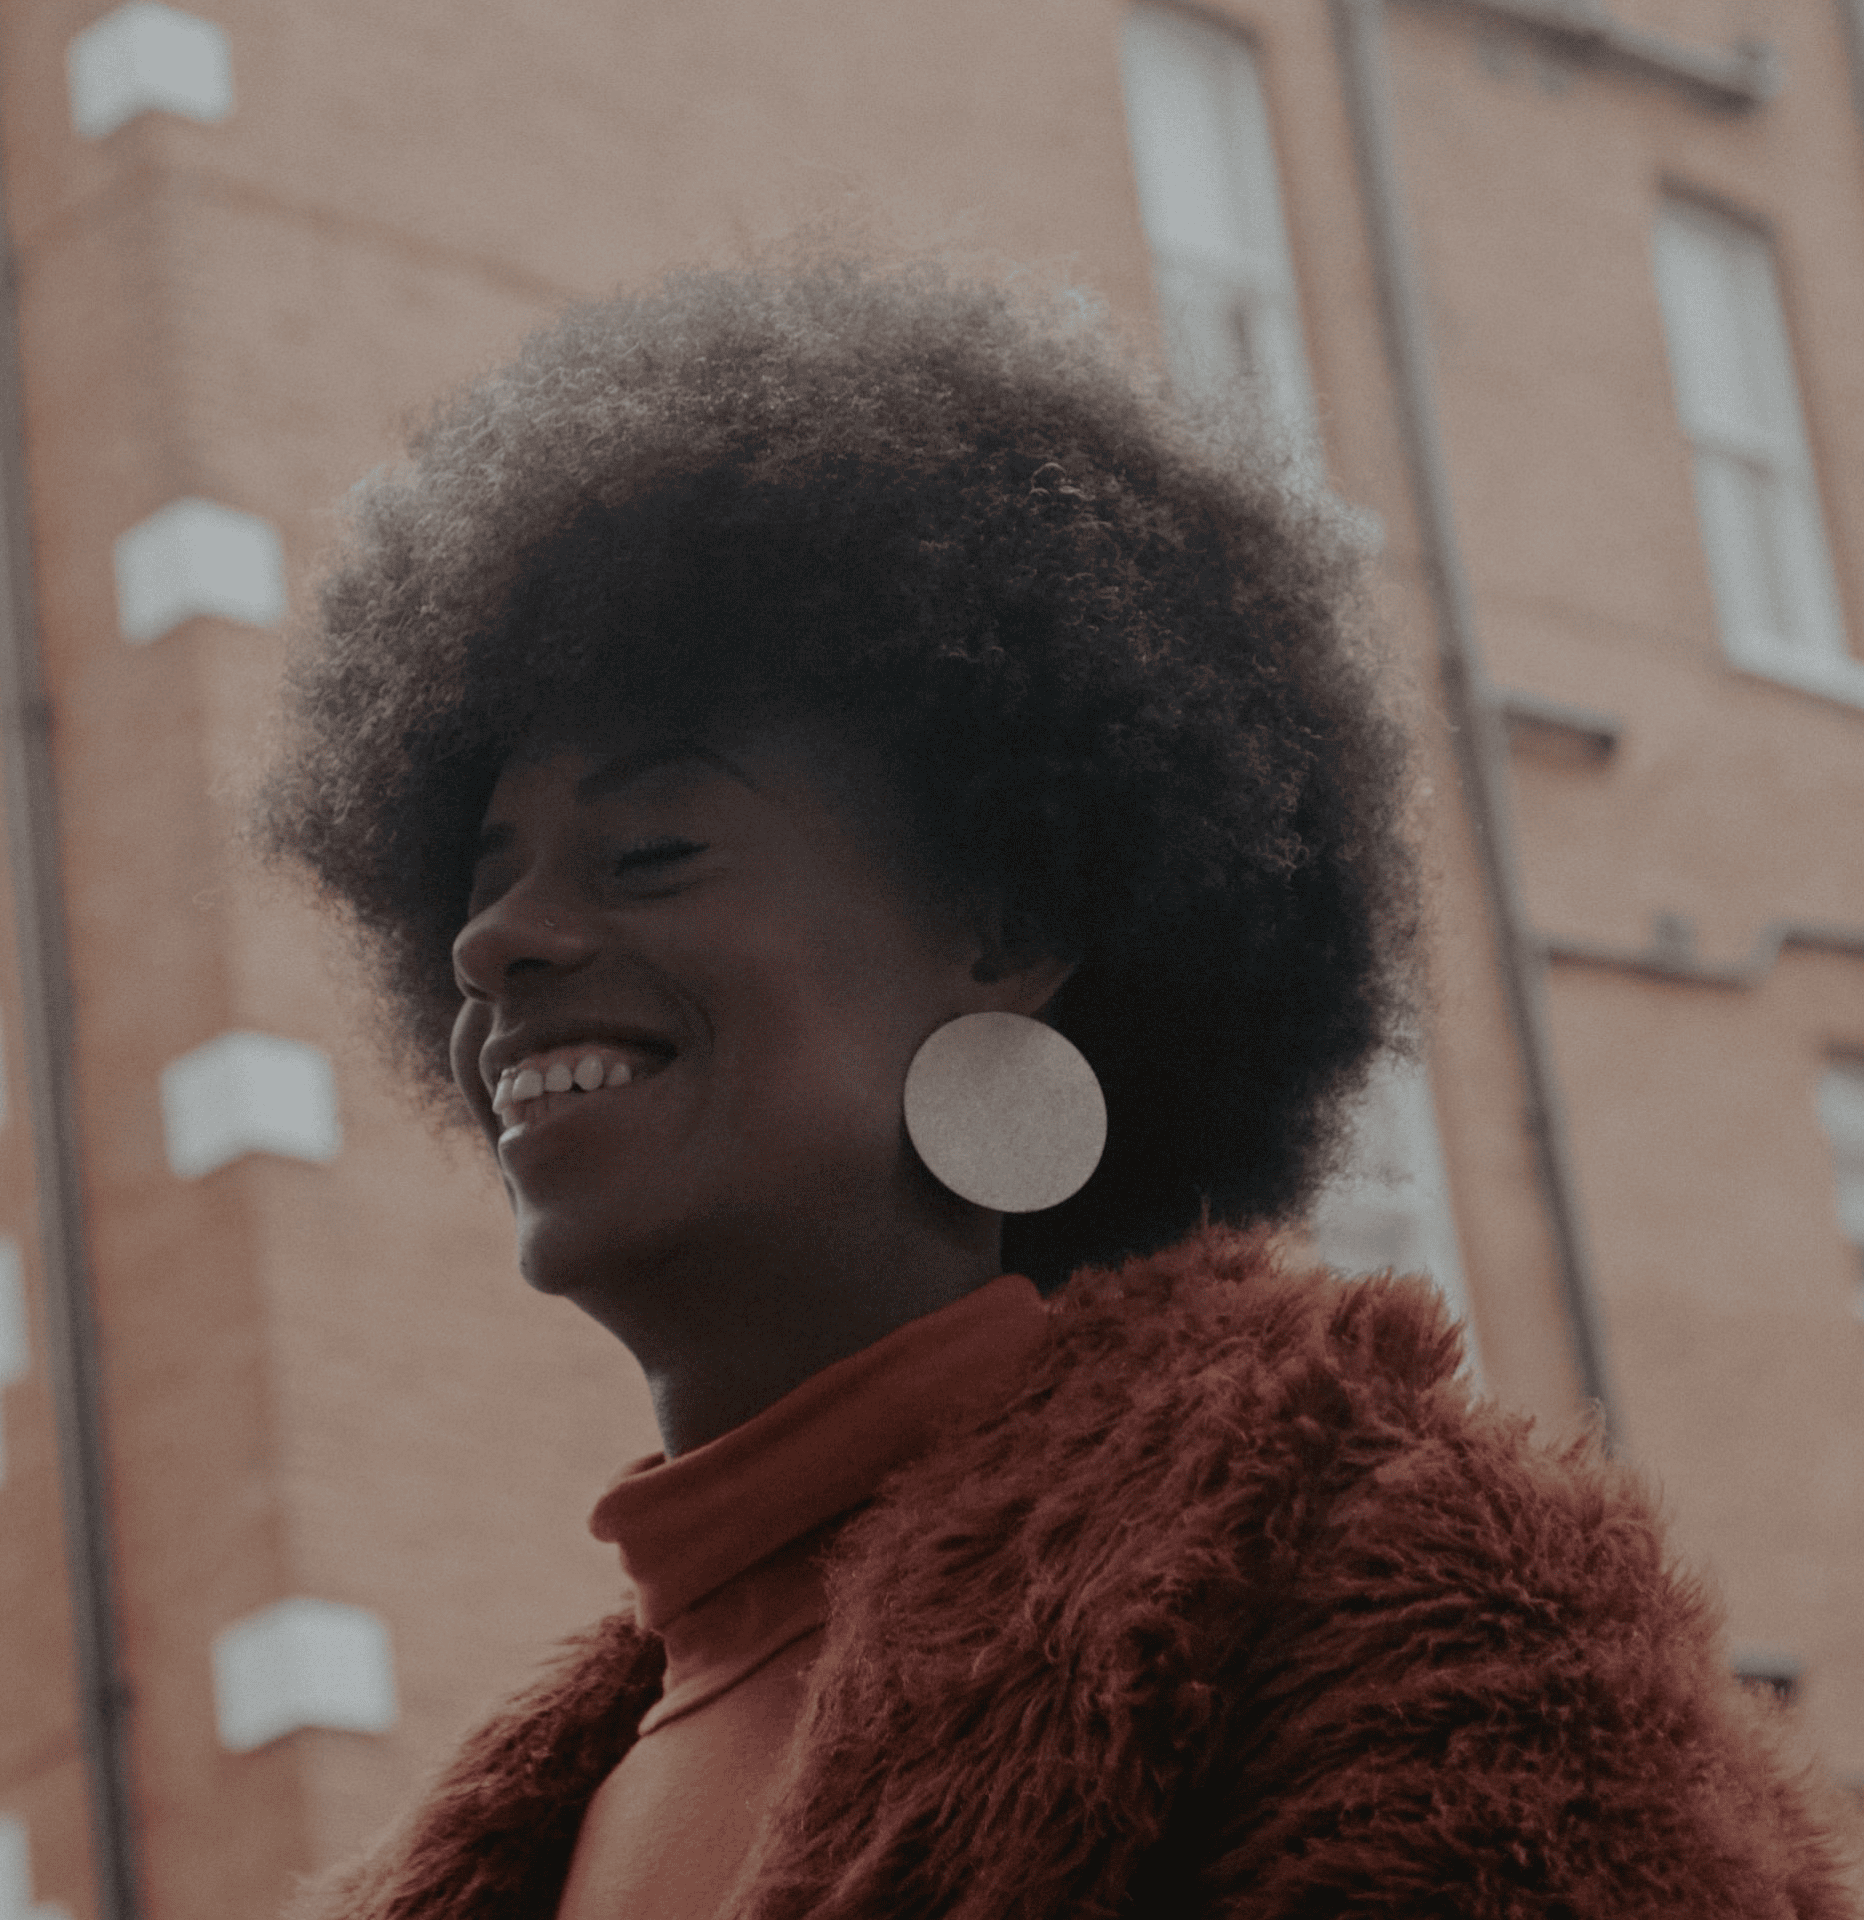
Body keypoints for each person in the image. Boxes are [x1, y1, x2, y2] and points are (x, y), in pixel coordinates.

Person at [257, 257, 1853, 1918]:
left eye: (650, 854)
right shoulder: (500, 1845)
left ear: (1008, 928)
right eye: (479, 879)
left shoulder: (1383, 1594)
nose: (498, 941)